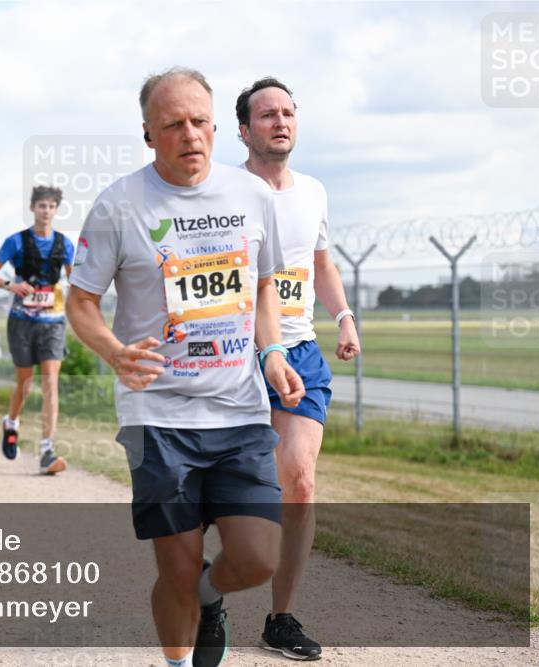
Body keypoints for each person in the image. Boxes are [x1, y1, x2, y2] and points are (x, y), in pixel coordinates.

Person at [66, 67, 304, 667]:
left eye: (199, 121)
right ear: (148, 133)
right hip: (158, 413)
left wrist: (273, 352)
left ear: (217, 127)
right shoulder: (119, 205)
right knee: (174, 565)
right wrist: (114, 352)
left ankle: (208, 594)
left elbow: (264, 284)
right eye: (173, 124)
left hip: (239, 409)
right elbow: (81, 301)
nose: (190, 134)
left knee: (257, 558)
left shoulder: (253, 196)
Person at [236, 76, 361, 661]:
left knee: (300, 481)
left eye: (288, 112)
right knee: (230, 490)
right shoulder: (223, 192)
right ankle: (207, 591)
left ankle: (280, 618)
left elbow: (321, 264)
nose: (280, 121)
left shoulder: (313, 191)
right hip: (234, 358)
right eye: (267, 114)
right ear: (244, 130)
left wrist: (344, 317)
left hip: (301, 353)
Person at [0, 185, 74, 475]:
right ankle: (11, 423)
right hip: (22, 321)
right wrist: (11, 285)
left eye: (51, 206)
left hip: (53, 322)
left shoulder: (65, 244)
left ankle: (47, 450)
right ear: (33, 208)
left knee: (50, 383)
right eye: (41, 205)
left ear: (56, 210)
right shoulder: (16, 241)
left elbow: (76, 280)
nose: (46, 211)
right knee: (26, 384)